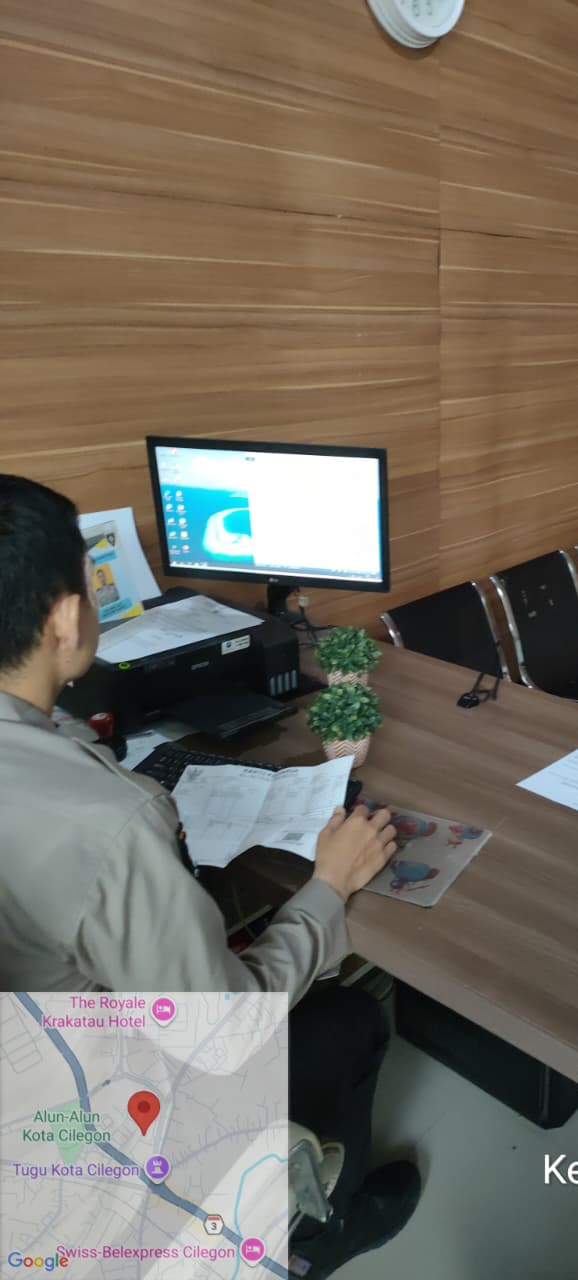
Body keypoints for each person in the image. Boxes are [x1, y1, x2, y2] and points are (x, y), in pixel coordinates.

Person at [0, 475, 419, 1276]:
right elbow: (221, 1034)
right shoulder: (108, 825)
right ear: (66, 618)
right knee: (348, 1021)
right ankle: (321, 1234)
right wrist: (329, 887)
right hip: (81, 1134)